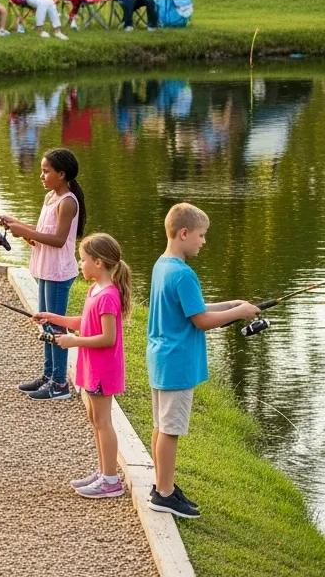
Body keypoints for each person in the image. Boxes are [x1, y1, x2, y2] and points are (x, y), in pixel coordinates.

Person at [147, 203, 259, 519]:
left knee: (160, 426)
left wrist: (234, 303)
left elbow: (194, 307)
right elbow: (201, 320)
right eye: (201, 235)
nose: (203, 241)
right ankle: (165, 494)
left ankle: (162, 484)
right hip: (179, 364)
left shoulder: (162, 265)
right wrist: (240, 313)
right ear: (184, 233)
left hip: (161, 359)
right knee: (170, 429)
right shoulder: (183, 273)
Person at [34, 233, 131, 499]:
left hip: (103, 368)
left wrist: (74, 342)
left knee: (102, 421)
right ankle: (103, 471)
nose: (80, 264)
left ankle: (111, 480)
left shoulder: (109, 296)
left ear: (99, 263)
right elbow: (84, 322)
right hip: (91, 365)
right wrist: (53, 318)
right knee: (94, 420)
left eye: (83, 259)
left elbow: (108, 338)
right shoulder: (94, 290)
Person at [0, 147, 85, 400]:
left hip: (59, 272)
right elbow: (40, 234)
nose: (42, 176)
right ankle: (49, 375)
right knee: (46, 323)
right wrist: (15, 224)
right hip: (46, 269)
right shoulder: (50, 198)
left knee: (56, 328)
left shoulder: (67, 202)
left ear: (62, 173)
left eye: (46, 171)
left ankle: (60, 384)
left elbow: (58, 240)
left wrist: (23, 231)